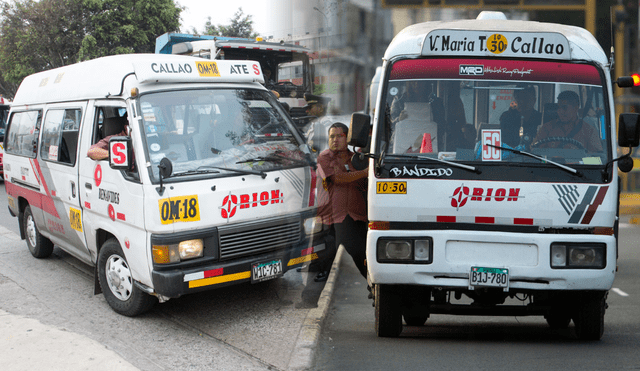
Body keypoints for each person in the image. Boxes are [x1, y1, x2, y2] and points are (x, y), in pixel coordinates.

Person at [314, 122, 368, 282]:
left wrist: (359, 173)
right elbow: (338, 178)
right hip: (334, 215)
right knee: (345, 253)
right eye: (331, 136)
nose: (335, 140)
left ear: (348, 138)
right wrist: (362, 173)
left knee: (360, 253)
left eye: (339, 136)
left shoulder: (357, 158)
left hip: (357, 214)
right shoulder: (324, 157)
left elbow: (364, 185)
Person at [532, 90, 602, 152]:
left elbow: (598, 159)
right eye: (558, 108)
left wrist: (582, 159)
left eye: (564, 107)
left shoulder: (589, 131)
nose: (560, 111)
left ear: (576, 107)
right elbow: (534, 151)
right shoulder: (547, 128)